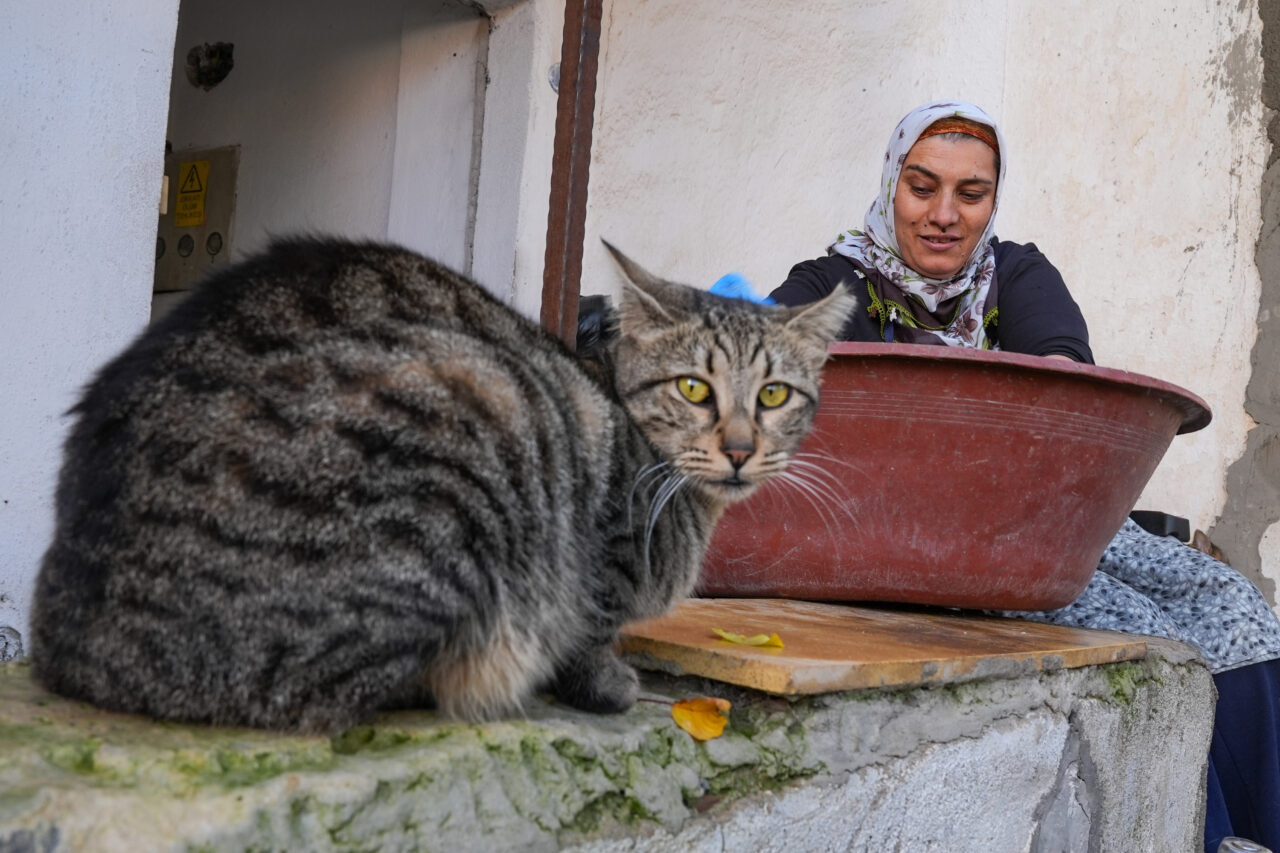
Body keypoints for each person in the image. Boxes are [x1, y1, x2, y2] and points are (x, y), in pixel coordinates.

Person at [769, 100, 1280, 853]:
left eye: (970, 193)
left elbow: (1060, 377)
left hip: (1034, 526)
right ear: (890, 185)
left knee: (1225, 599)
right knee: (1148, 634)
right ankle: (1208, 835)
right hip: (902, 546)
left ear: (992, 201)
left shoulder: (1015, 272)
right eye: (922, 186)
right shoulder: (826, 285)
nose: (944, 213)